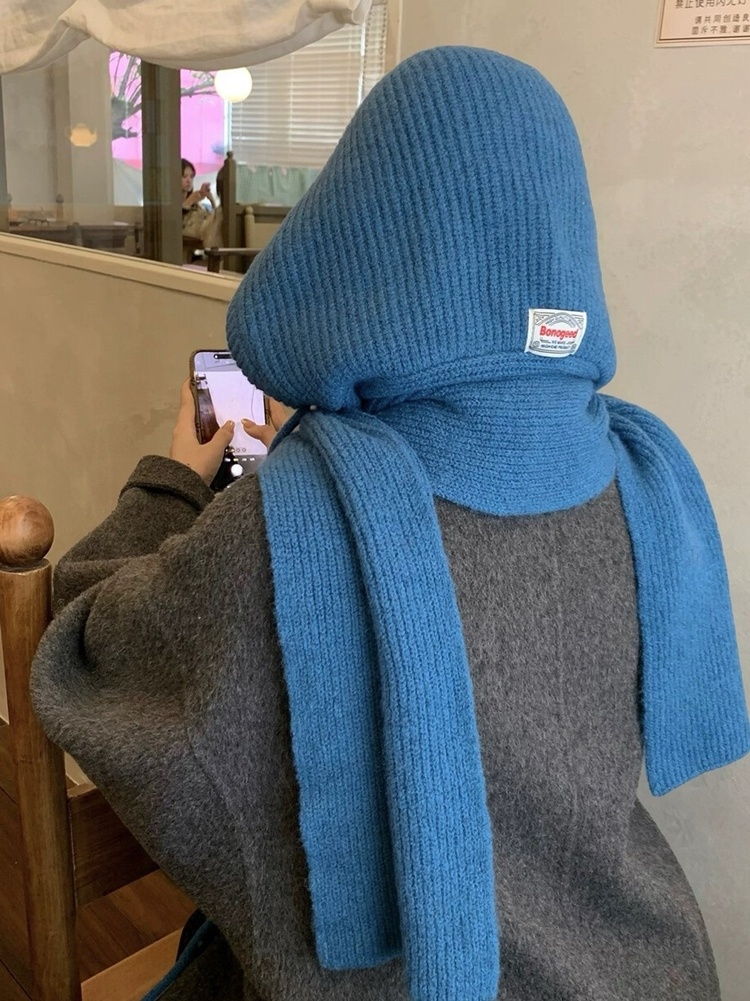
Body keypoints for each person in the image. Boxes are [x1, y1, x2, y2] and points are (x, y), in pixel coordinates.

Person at [31, 48, 749, 1001]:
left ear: (358, 229)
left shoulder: (288, 533)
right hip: (660, 967)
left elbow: (85, 652)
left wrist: (172, 478)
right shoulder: (642, 480)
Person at [181, 157, 218, 245]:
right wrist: (189, 201)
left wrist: (211, 199)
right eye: (184, 176)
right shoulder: (170, 203)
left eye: (191, 176)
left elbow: (213, 219)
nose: (189, 180)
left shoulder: (196, 203)